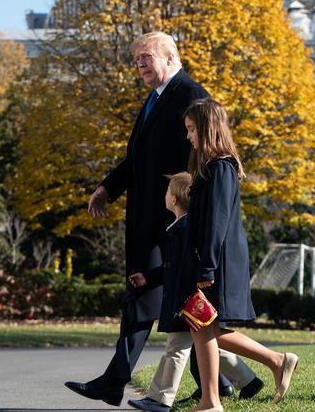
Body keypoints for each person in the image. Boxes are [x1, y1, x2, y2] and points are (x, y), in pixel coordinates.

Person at [64, 31, 235, 407]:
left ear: (171, 58)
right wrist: (108, 187)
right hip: (151, 218)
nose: (139, 65)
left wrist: (179, 211)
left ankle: (115, 381)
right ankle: (228, 381)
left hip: (168, 221)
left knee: (149, 299)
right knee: (178, 306)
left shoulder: (190, 95)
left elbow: (197, 161)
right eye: (137, 59)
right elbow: (139, 159)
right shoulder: (157, 98)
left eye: (146, 57)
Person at [177, 98, 298, 412]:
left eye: (191, 129)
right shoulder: (212, 168)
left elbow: (216, 221)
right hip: (213, 259)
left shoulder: (220, 167)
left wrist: (206, 267)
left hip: (217, 261)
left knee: (203, 326)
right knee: (207, 327)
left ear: (207, 128)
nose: (188, 136)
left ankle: (212, 400)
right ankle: (276, 361)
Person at [126, 173, 263, 412]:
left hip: (187, 300)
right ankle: (248, 381)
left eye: (167, 191)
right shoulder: (179, 227)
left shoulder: (186, 228)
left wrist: (183, 298)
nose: (164, 196)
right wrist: (149, 277)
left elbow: (186, 266)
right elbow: (172, 266)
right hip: (187, 300)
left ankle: (159, 399)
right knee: (207, 347)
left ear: (176, 199)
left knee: (176, 348)